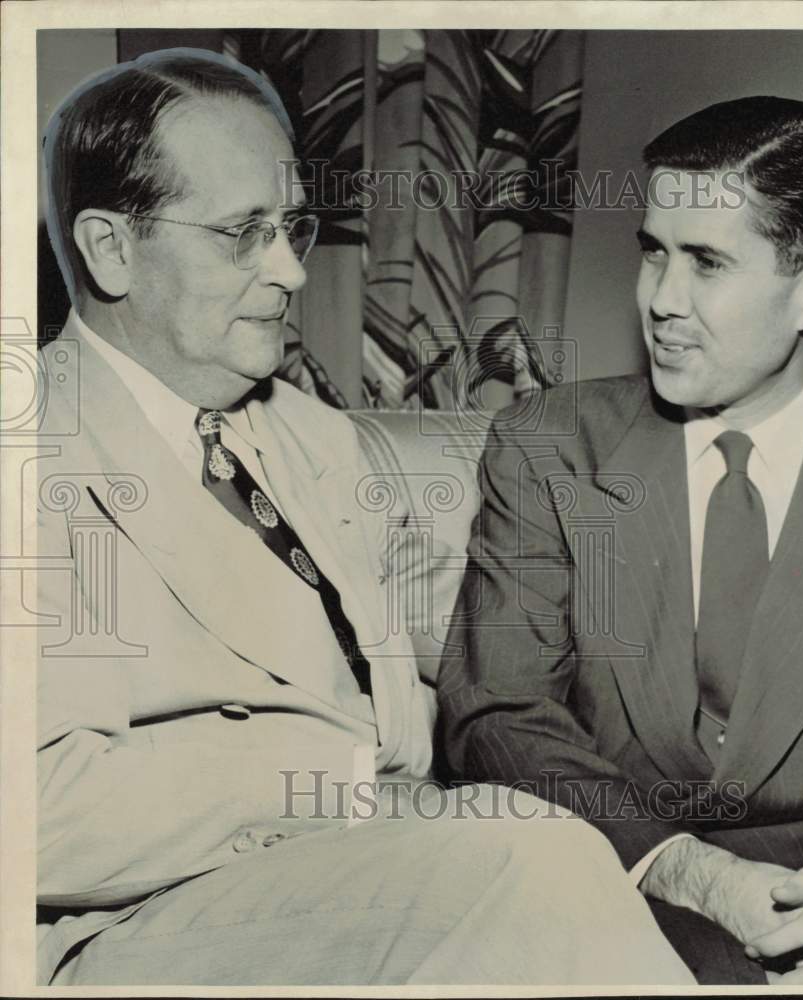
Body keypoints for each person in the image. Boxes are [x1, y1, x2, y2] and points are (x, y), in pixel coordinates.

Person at [35, 48, 695, 987]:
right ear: (110, 249)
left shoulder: (312, 437)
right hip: (142, 922)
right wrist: (337, 778)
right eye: (241, 234)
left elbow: (472, 648)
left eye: (292, 227)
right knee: (523, 851)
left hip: (376, 864)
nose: (290, 272)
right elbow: (38, 817)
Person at [438, 96, 803, 986]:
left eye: (706, 263)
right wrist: (696, 875)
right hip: (608, 881)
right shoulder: (545, 444)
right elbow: (496, 714)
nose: (659, 299)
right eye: (653, 252)